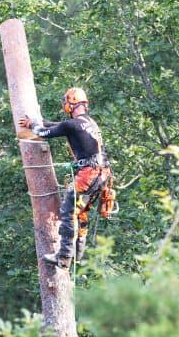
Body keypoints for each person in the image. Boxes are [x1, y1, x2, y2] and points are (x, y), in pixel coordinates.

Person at [19, 87, 113, 269]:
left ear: (71, 104)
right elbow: (57, 125)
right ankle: (77, 254)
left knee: (68, 210)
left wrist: (32, 125)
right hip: (102, 174)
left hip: (89, 173)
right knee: (81, 211)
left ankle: (63, 257)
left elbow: (44, 132)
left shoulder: (72, 125)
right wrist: (40, 121)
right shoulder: (89, 122)